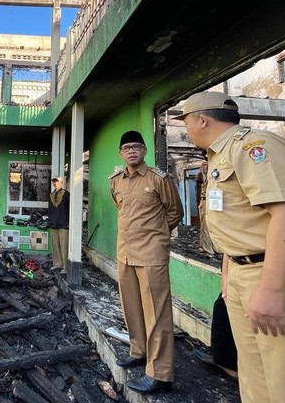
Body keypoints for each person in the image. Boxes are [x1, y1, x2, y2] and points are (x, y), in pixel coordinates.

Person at [176, 90, 285, 403]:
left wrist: (270, 289)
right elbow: (239, 224)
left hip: (275, 275)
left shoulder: (255, 147)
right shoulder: (221, 156)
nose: (186, 129)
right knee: (255, 381)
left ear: (201, 119)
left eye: (186, 121)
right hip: (244, 275)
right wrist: (229, 274)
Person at [109, 130, 183, 394]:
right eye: (126, 147)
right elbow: (122, 211)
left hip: (151, 254)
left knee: (157, 313)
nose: (131, 151)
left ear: (144, 151)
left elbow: (175, 211)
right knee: (131, 307)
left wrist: (158, 236)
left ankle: (160, 374)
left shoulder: (158, 179)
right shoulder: (116, 181)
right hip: (125, 253)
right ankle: (139, 351)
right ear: (121, 153)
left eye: (136, 147)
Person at [47, 175, 70, 274]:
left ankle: (66, 266)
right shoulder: (51, 195)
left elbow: (70, 208)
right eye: (54, 182)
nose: (55, 183)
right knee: (55, 244)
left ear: (62, 182)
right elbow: (50, 209)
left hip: (64, 223)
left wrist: (69, 222)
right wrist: (50, 220)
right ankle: (57, 264)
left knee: (64, 245)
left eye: (57, 181)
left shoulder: (66, 194)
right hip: (54, 223)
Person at [196, 160, 215, 255]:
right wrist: (201, 169)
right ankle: (205, 248)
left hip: (215, 201)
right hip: (205, 200)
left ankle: (214, 247)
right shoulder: (203, 173)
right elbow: (199, 180)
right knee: (205, 225)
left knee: (214, 224)